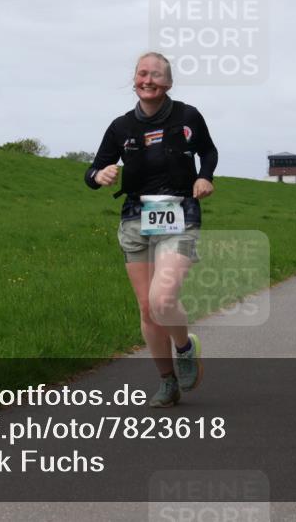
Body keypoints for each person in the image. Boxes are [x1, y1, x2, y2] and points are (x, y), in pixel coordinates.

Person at [85, 52, 217, 408]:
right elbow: (92, 172)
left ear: (168, 82)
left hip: (180, 212)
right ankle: (166, 382)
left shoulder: (187, 116)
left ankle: (185, 348)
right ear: (135, 79)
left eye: (156, 75)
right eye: (143, 74)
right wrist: (100, 175)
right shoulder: (121, 127)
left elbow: (208, 150)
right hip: (134, 217)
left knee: (163, 299)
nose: (148, 80)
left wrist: (204, 176)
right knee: (147, 309)